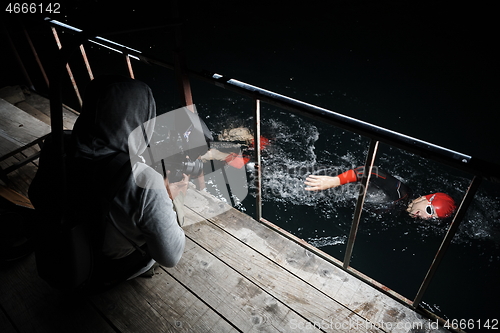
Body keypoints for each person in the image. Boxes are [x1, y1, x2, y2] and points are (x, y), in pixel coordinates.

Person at [29, 75, 186, 289]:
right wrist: (169, 196)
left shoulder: (56, 146)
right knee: (174, 207)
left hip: (61, 251)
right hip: (105, 269)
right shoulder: (145, 181)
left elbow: (35, 194)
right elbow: (170, 257)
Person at [304, 166, 456, 220]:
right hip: (323, 180)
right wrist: (333, 181)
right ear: (423, 198)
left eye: (431, 217)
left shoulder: (401, 210)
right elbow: (372, 171)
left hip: (328, 195)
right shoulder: (400, 193)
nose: (426, 217)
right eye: (430, 210)